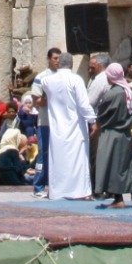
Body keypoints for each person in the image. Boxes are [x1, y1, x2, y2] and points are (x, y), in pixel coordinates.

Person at [39, 49, 95, 200]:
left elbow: (42, 83)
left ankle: (57, 191)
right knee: (78, 160)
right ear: (71, 64)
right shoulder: (76, 80)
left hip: (57, 127)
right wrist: (92, 120)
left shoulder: (47, 81)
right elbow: (84, 104)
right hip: (75, 125)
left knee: (58, 160)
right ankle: (81, 192)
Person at [91, 63, 132, 209]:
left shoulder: (113, 94)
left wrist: (97, 124)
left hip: (112, 133)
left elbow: (103, 112)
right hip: (127, 132)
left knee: (113, 165)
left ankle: (118, 199)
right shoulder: (128, 91)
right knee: (127, 165)